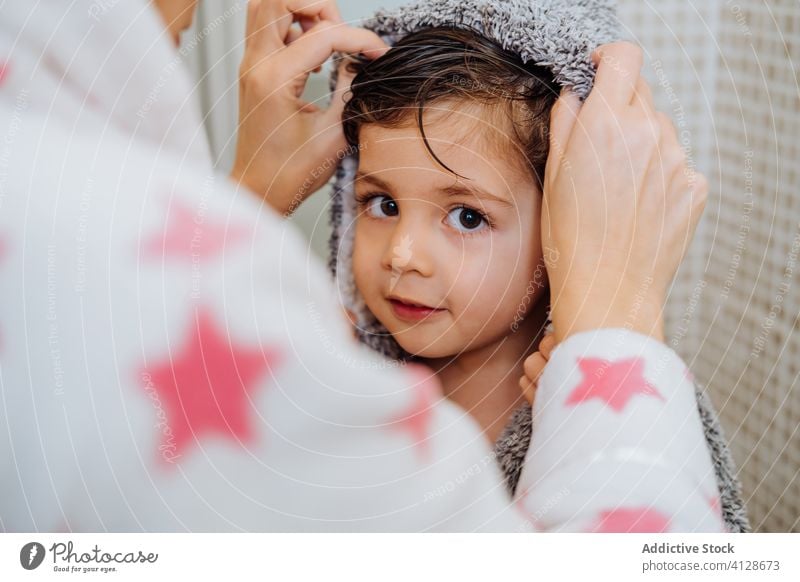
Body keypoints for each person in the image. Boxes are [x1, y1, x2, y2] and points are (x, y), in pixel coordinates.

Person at [0, 0, 720, 532]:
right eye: (379, 202)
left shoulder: (613, 407)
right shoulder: (325, 374)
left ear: (571, 216)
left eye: (467, 215)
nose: (403, 254)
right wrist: (617, 327)